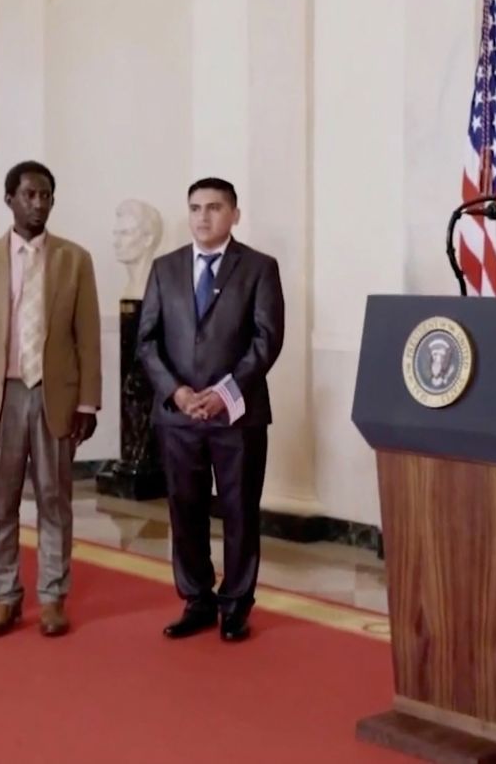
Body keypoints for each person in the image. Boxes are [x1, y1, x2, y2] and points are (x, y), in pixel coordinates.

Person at [0, 161, 101, 638]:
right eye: (29, 195)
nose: (38, 204)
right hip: (0, 395)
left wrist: (88, 404)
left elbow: (88, 336)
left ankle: (53, 597)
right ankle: (4, 597)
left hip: (54, 396)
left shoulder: (75, 259)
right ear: (9, 199)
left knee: (55, 500)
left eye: (46, 196)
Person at [136, 177, 285, 643]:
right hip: (178, 415)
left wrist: (224, 392)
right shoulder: (164, 268)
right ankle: (197, 598)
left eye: (215, 208)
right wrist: (176, 392)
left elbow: (267, 339)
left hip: (237, 415)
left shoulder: (259, 267)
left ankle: (236, 604)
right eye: (196, 208)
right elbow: (147, 340)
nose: (203, 217)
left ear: (235, 214)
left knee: (240, 510)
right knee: (185, 509)